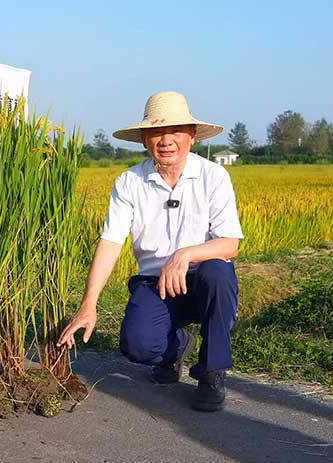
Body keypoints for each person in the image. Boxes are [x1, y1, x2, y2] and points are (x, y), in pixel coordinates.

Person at [57, 91, 243, 412]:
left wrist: (184, 255)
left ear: (192, 136)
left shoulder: (214, 177)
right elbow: (111, 241)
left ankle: (211, 372)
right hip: (155, 284)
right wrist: (89, 305)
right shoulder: (130, 182)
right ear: (144, 139)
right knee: (138, 346)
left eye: (175, 131)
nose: (166, 140)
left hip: (202, 282)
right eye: (156, 132)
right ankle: (175, 348)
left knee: (218, 271)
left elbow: (230, 244)